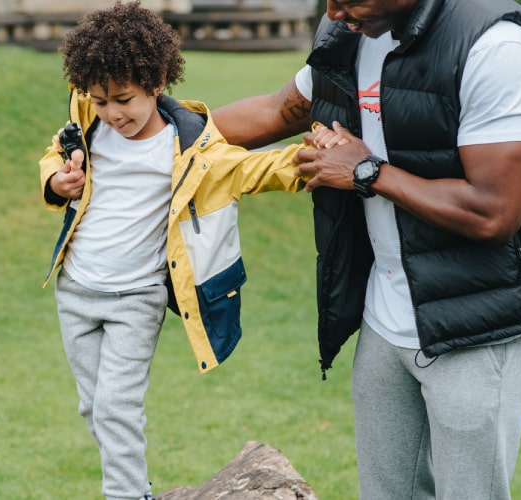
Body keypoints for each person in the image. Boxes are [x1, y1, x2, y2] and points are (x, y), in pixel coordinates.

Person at [212, 0, 521, 498]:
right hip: (385, 318)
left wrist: (366, 171)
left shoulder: (495, 45)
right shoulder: (348, 33)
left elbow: (494, 213)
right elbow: (277, 110)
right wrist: (156, 133)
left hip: (478, 324)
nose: (332, 12)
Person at [37, 2, 316, 498]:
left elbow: (259, 169)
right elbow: (55, 153)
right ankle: (133, 480)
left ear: (157, 80)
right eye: (100, 100)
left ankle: (127, 495)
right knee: (93, 405)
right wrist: (57, 181)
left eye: (123, 98)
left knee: (116, 406)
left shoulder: (192, 148)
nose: (112, 112)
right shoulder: (88, 119)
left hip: (136, 298)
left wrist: (316, 158)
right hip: (75, 289)